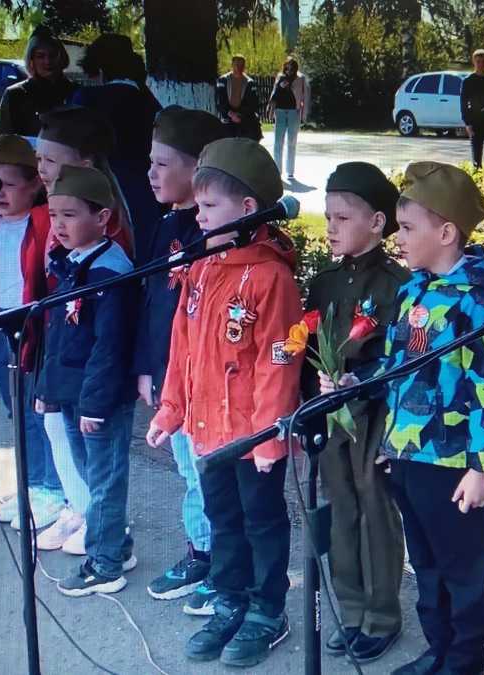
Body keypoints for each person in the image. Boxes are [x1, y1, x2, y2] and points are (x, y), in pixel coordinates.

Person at [326, 162, 484, 675]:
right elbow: (398, 365)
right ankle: (439, 649)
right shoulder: (414, 290)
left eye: (408, 229)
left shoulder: (480, 299)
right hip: (407, 452)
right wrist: (358, 384)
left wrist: (479, 467)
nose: (398, 238)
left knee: (462, 568)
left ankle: (466, 660)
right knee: (426, 564)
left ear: (446, 232)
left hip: (452, 462)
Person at [146, 138, 303, 667]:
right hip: (207, 430)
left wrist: (269, 436)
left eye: (209, 207)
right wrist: (171, 410)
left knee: (261, 522)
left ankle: (267, 610)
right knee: (223, 519)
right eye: (199, 205)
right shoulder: (202, 266)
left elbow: (279, 360)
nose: (198, 215)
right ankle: (230, 598)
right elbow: (182, 345)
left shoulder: (270, 276)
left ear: (247, 209)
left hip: (250, 435)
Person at [303, 162, 408, 663]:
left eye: (343, 218)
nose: (331, 228)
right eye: (327, 217)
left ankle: (383, 615)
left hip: (373, 415)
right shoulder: (323, 283)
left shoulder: (396, 285)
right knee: (340, 508)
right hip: (331, 416)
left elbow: (401, 355)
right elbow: (300, 343)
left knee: (375, 514)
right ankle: (350, 609)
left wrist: (359, 386)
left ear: (378, 222)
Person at [32, 165, 137, 596]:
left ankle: (106, 563)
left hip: (100, 400)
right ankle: (116, 545)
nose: (58, 225)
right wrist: (47, 391)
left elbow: (109, 348)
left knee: (105, 481)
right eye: (54, 215)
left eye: (70, 215)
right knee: (92, 477)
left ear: (104, 219)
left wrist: (95, 405)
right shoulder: (71, 264)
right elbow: (57, 337)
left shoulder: (109, 273)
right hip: (72, 392)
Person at [139, 106, 224, 611]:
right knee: (187, 470)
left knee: (206, 472)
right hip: (170, 378)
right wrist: (148, 369)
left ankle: (218, 557)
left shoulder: (217, 232)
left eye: (162, 163)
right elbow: (152, 303)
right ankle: (201, 551)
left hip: (207, 379)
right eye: (150, 162)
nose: (150, 173)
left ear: (198, 170)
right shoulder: (164, 226)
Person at [0, 134, 69, 534]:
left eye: (7, 184)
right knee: (16, 410)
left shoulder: (42, 222)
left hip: (32, 328)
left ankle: (51, 488)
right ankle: (32, 483)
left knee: (38, 413)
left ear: (35, 184)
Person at [72, 33, 164, 265]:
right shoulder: (151, 103)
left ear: (100, 70)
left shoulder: (87, 100)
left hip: (104, 196)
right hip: (151, 194)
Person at [35, 106, 134, 259]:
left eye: (50, 160)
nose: (41, 169)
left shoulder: (102, 226)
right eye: (39, 159)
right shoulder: (46, 209)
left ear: (85, 166)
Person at [0, 25, 76, 140]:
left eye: (52, 55)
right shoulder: (15, 95)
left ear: (61, 57)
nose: (47, 61)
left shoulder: (76, 91)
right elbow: (1, 143)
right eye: (40, 56)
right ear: (31, 60)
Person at [267, 56, 309, 181]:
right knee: (278, 143)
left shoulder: (301, 78)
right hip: (280, 112)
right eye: (287, 67)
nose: (289, 70)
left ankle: (290, 171)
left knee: (291, 142)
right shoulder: (280, 77)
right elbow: (274, 94)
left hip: (293, 112)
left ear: (295, 68)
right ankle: (277, 170)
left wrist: (304, 114)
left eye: (291, 68)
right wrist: (270, 110)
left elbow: (305, 97)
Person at [216, 55, 263, 142]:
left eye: (241, 65)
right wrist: (230, 114)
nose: (238, 67)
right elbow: (220, 100)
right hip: (227, 119)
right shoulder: (223, 80)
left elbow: (253, 103)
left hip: (243, 119)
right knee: (228, 145)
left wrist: (240, 115)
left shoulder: (250, 82)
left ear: (244, 66)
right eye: (236, 64)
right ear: (232, 65)